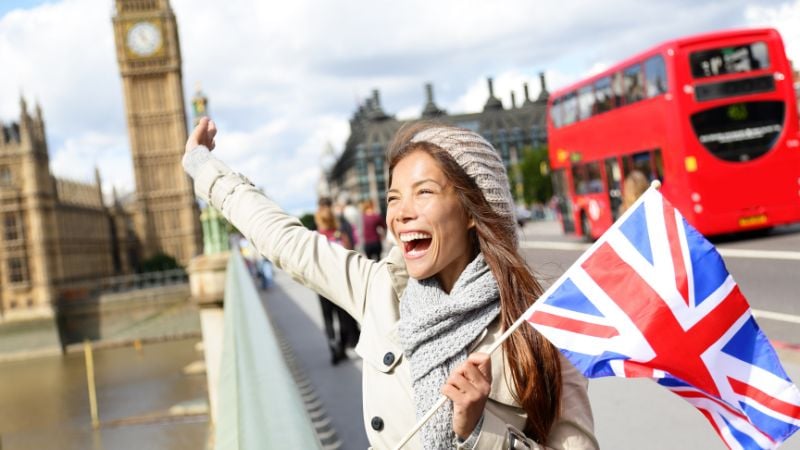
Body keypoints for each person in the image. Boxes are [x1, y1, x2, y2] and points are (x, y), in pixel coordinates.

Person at [183, 118, 598, 449]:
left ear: (473, 210)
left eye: (424, 192)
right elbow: (286, 241)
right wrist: (205, 169)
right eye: (394, 197)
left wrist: (480, 434)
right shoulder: (380, 291)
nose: (400, 213)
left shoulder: (537, 326)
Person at [315, 197, 361, 364]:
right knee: (343, 316)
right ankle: (342, 345)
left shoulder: (317, 238)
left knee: (327, 318)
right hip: (340, 282)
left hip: (321, 284)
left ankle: (333, 346)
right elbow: (351, 252)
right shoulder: (339, 234)